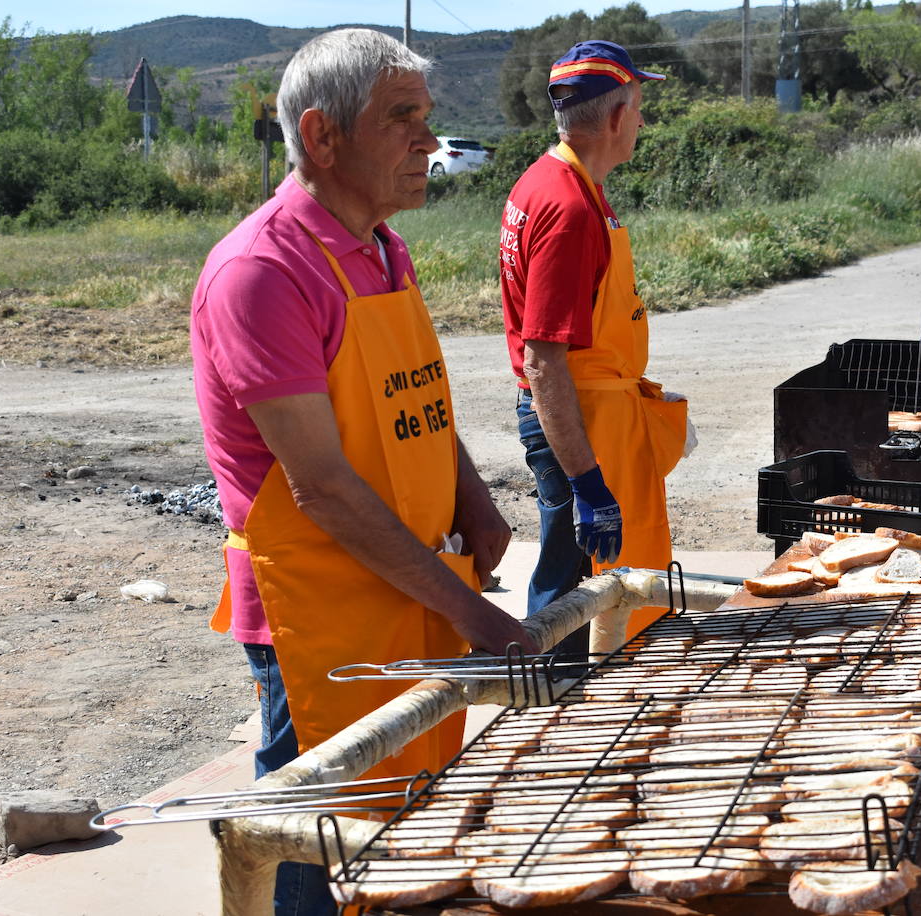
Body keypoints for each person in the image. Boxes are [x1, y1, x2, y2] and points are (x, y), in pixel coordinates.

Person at [190, 28, 533, 916]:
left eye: (427, 118)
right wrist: (476, 614)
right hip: (322, 610)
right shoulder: (263, 272)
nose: (429, 140)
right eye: (402, 119)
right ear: (322, 135)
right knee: (317, 828)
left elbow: (407, 399)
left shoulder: (383, 246)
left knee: (397, 818)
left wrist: (473, 497)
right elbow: (324, 486)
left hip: (407, 579)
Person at [499, 40, 689, 659]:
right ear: (613, 116)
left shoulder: (557, 181)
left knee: (576, 585)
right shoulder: (568, 206)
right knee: (567, 594)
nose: (641, 120)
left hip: (590, 412)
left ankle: (555, 698)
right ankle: (547, 715)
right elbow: (543, 359)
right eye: (638, 106)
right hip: (576, 423)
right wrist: (586, 481)